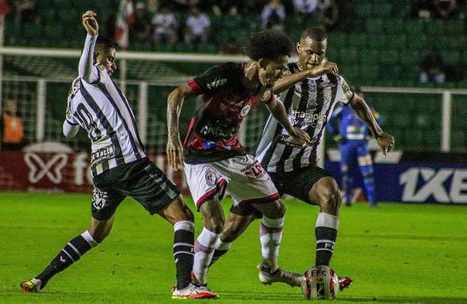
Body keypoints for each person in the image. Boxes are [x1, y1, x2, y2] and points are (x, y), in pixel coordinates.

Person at [20, 10, 215, 300]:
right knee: (184, 217)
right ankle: (184, 286)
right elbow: (86, 70)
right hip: (127, 162)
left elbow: (68, 131)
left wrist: (74, 115)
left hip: (102, 171)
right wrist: (91, 37)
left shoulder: (75, 96)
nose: (112, 64)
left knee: (95, 233)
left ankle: (40, 278)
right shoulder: (93, 75)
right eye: (109, 58)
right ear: (96, 56)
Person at [209, 27, 394, 289]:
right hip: (267, 169)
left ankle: (321, 271)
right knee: (232, 229)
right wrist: (308, 73)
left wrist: (377, 132)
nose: (315, 58)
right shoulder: (284, 71)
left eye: (320, 53)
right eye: (309, 52)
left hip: (302, 168)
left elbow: (356, 101)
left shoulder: (334, 81)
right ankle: (195, 272)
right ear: (298, 49)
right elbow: (266, 91)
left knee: (330, 195)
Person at [166, 30, 311, 296]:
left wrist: (290, 129)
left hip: (234, 154)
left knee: (276, 210)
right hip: (201, 156)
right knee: (215, 220)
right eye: (277, 68)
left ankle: (270, 268)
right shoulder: (225, 75)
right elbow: (176, 95)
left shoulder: (263, 84)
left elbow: (274, 104)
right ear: (261, 62)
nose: (281, 74)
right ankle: (192, 283)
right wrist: (173, 138)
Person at [328, 87, 381, 207]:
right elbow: (329, 120)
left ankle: (372, 202)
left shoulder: (369, 109)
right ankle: (347, 200)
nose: (359, 98)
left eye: (360, 96)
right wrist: (336, 135)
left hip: (362, 147)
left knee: (368, 174)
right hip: (347, 147)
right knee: (346, 174)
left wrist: (370, 134)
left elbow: (379, 120)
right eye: (357, 96)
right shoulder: (343, 109)